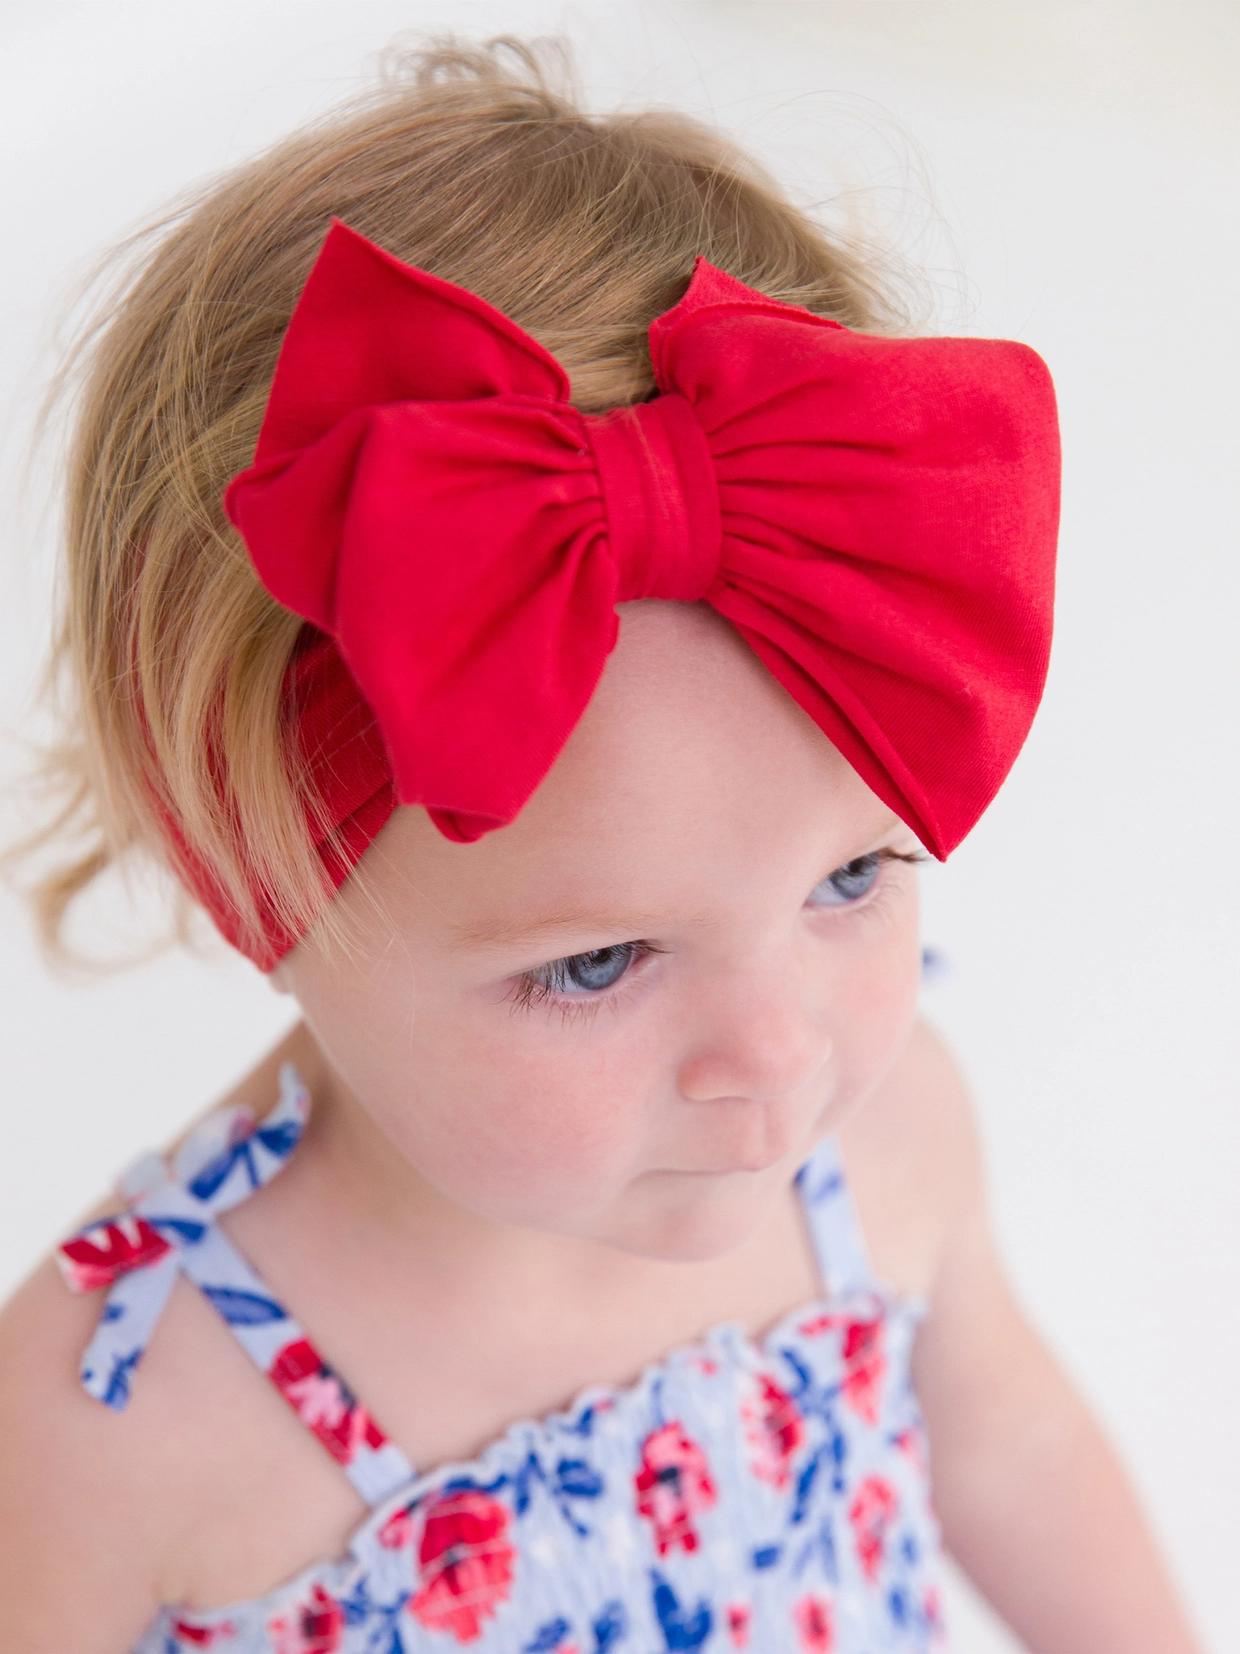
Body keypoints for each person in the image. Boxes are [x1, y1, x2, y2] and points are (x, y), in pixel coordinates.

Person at [0, 37, 1200, 1654]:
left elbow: (1014, 1447)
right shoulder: (116, 1422)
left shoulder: (887, 1142)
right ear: (251, 865)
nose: (775, 1054)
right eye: (594, 961)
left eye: (849, 877)